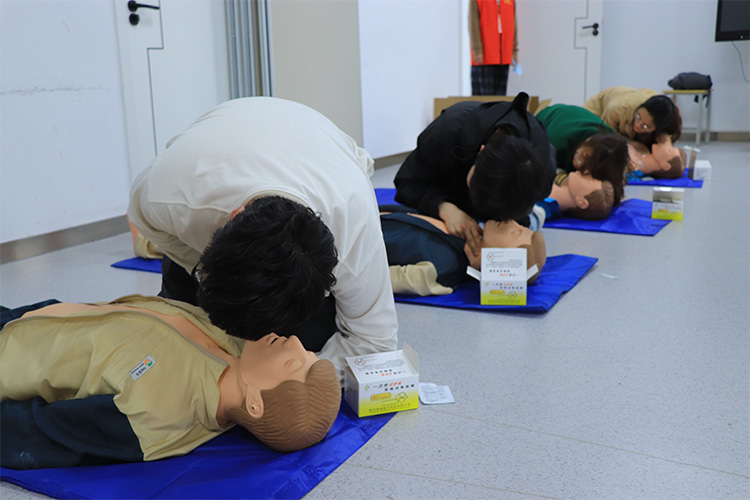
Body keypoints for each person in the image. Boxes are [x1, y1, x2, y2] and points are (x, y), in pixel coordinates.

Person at [128, 97, 398, 381]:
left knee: (306, 338)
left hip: (324, 151)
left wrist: (287, 379)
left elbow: (375, 344)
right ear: (234, 215)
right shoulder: (163, 195)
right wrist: (199, 273)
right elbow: (151, 226)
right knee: (183, 329)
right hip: (210, 154)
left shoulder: (354, 228)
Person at [0, 295, 342, 470]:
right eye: (309, 353)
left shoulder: (155, 416)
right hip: (37, 316)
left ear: (255, 402)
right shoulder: (235, 342)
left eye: (293, 363)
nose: (294, 342)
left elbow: (33, 432)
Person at [393, 92, 555, 257]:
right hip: (446, 195)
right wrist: (443, 207)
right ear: (480, 151)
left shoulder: (542, 170)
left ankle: (535, 214)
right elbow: (407, 182)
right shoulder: (445, 133)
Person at [381, 207, 546, 297]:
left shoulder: (442, 269)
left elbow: (382, 279)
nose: (511, 222)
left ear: (506, 260)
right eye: (520, 225)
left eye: (516, 232)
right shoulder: (464, 227)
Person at [536, 104, 629, 205]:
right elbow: (541, 166)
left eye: (587, 168)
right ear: (588, 141)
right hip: (548, 122)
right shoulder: (557, 142)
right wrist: (562, 179)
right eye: (584, 155)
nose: (578, 164)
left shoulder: (613, 146)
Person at [469, 0, 518, 96]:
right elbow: (473, 24)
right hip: (484, 58)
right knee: (485, 100)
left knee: (500, 99)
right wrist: (477, 50)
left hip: (504, 57)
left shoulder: (510, 1)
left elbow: (513, 24)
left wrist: (513, 51)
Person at [536, 171, 615, 221]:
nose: (586, 172)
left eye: (590, 181)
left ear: (582, 203)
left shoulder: (540, 208)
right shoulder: (550, 175)